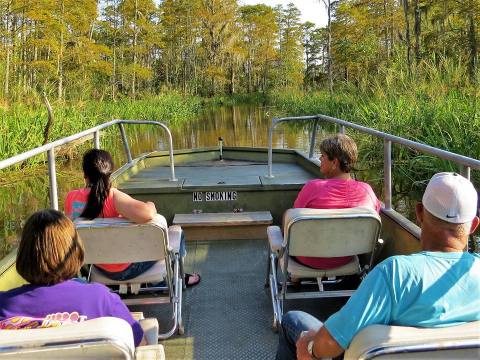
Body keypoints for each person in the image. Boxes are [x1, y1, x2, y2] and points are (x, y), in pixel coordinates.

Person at [276, 172, 480, 360]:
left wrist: (310, 347)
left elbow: (330, 343)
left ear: (419, 212)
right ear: (473, 225)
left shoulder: (395, 273)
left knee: (293, 320)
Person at [0, 209, 144, 346]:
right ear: (75, 251)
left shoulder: (4, 305)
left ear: (24, 255)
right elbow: (136, 339)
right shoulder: (100, 299)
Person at [64, 149, 200, 286]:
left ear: (85, 174)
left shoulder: (71, 198)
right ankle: (175, 279)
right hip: (128, 268)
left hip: (96, 267)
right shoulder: (112, 197)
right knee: (177, 233)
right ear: (110, 171)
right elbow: (148, 214)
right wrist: (150, 204)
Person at [293, 134, 381, 269]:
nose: (320, 159)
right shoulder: (367, 191)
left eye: (322, 156)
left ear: (334, 162)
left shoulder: (312, 188)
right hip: (346, 258)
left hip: (308, 258)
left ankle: (295, 278)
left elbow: (293, 222)